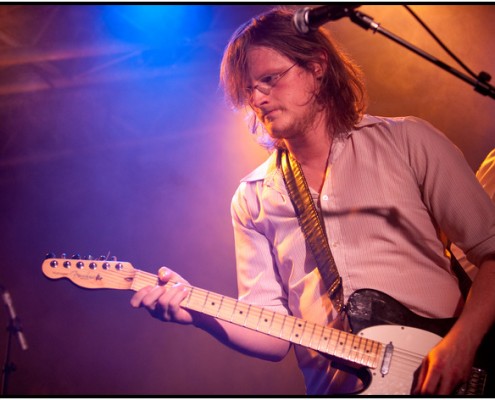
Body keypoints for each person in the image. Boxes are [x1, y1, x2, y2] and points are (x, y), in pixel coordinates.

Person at [130, 6, 495, 395]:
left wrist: (461, 344)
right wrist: (196, 312)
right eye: (249, 89)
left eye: (270, 79)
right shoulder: (253, 198)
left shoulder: (407, 142)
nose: (257, 97)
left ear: (317, 67)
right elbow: (271, 336)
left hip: (451, 377)